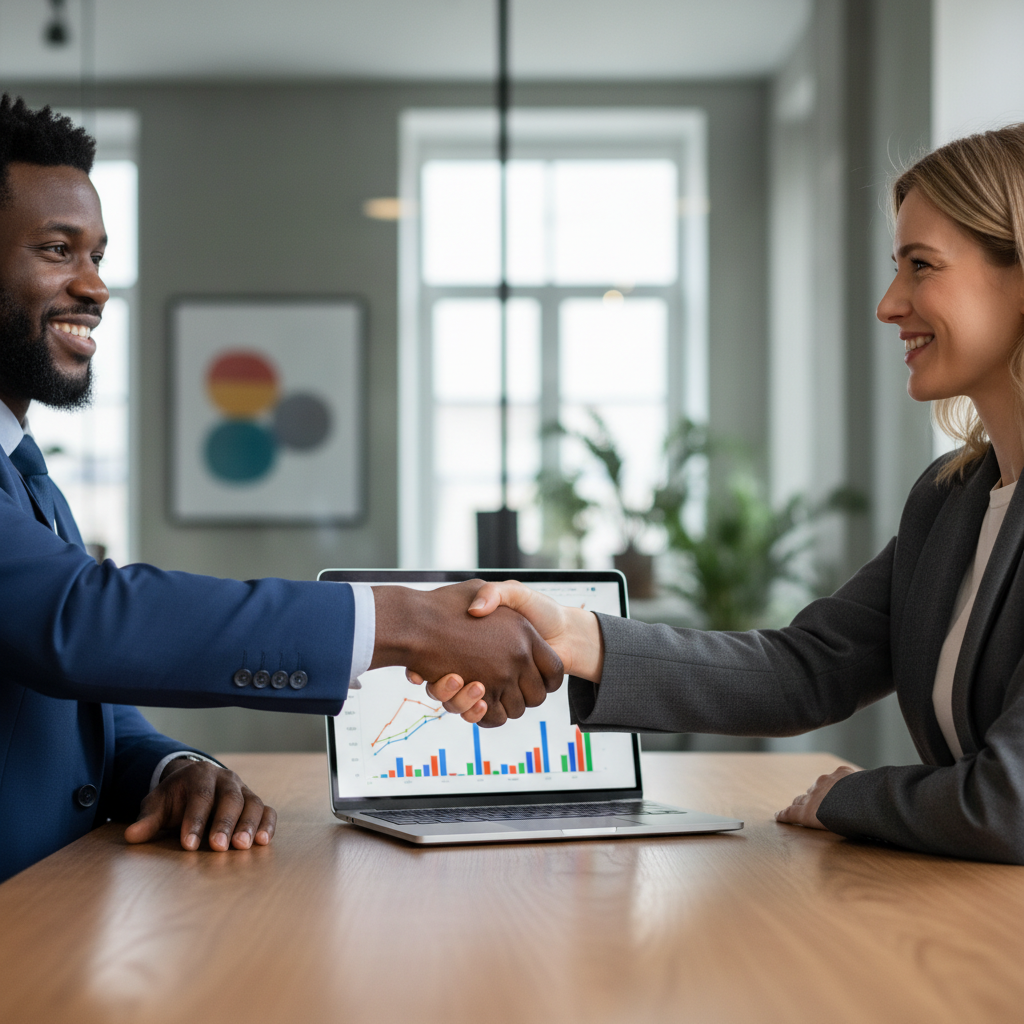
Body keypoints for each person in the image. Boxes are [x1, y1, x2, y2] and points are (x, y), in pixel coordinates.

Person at [0, 96, 561, 884]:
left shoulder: (25, 471)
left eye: (98, 254)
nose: (94, 286)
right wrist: (403, 620)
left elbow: (77, 698)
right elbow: (77, 621)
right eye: (59, 250)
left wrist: (172, 770)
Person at [429, 124, 1024, 865]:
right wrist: (573, 635)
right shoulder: (950, 502)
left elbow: (1009, 805)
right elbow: (807, 670)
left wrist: (847, 797)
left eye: (920, 266)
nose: (888, 304)